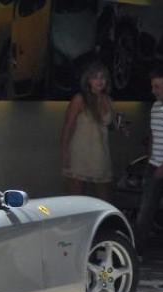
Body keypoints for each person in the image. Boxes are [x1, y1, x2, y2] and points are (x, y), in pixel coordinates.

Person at [61, 62, 116, 201]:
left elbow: (109, 126)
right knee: (76, 200)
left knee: (104, 199)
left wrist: (121, 125)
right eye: (95, 77)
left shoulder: (108, 100)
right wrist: (65, 153)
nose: (100, 81)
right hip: (80, 154)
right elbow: (68, 127)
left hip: (100, 154)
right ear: (88, 80)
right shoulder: (79, 99)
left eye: (103, 77)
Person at [135, 66, 163, 257]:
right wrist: (150, 157)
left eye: (158, 86)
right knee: (145, 209)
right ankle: (137, 250)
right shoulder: (155, 107)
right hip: (154, 164)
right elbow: (153, 134)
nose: (154, 90)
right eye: (152, 86)